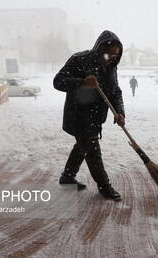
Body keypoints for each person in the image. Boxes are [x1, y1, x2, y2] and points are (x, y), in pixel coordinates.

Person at [53, 30, 125, 201]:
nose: (111, 58)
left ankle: (67, 177)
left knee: (81, 147)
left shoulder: (111, 68)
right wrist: (82, 82)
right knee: (92, 151)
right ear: (99, 48)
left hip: (96, 118)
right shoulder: (79, 60)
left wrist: (120, 112)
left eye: (115, 55)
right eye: (108, 54)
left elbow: (115, 92)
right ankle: (104, 186)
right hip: (78, 116)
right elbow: (58, 81)